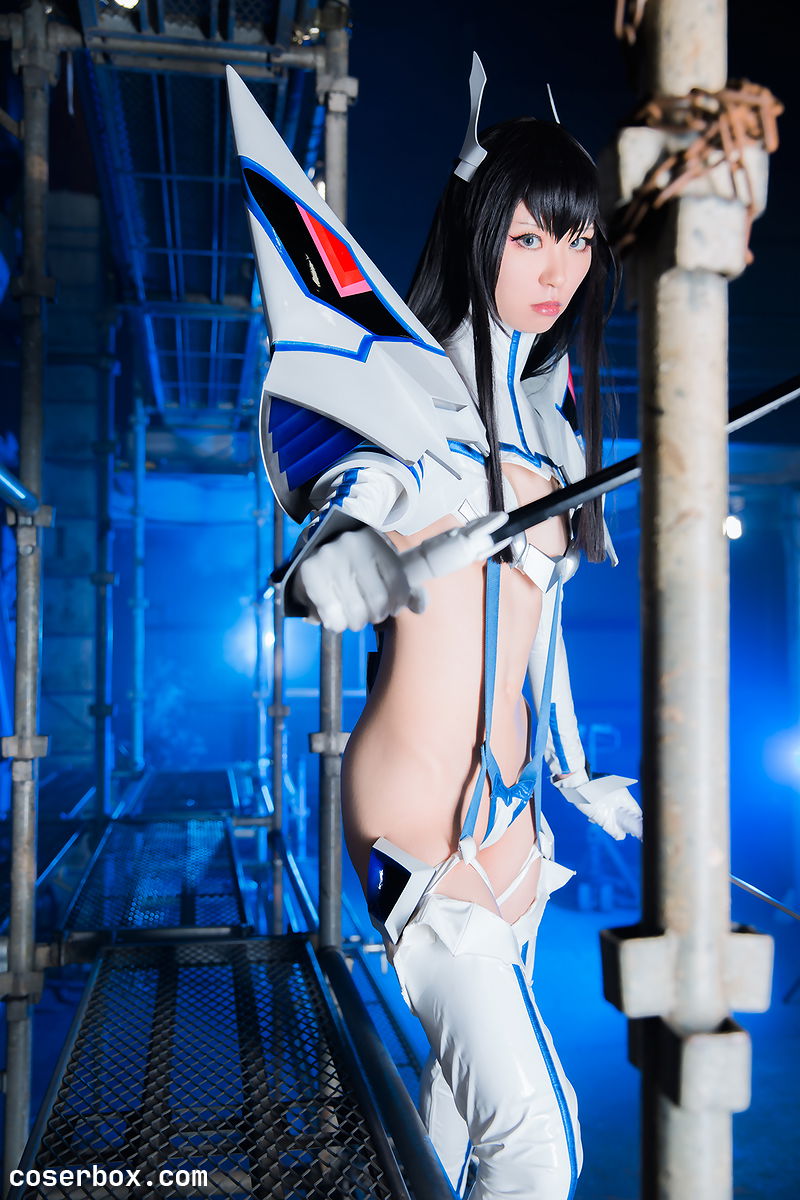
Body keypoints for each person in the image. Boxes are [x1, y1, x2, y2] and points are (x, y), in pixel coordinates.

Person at [227, 58, 642, 1200]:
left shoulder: (556, 430)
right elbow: (337, 527)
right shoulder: (404, 400)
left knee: (446, 1127)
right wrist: (340, 560)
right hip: (415, 818)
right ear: (476, 232)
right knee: (539, 1144)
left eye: (576, 242)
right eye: (529, 239)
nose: (557, 271)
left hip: (517, 823)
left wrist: (573, 770)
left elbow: (542, 632)